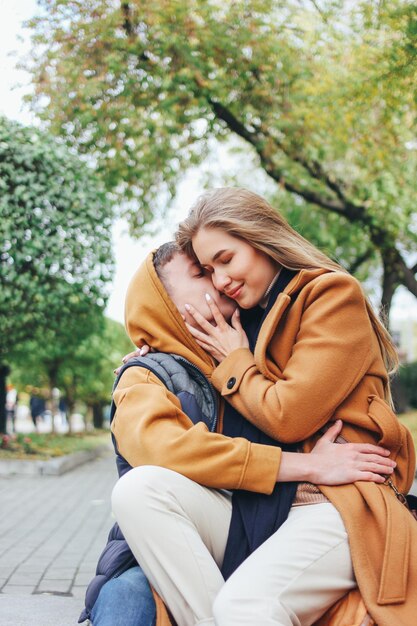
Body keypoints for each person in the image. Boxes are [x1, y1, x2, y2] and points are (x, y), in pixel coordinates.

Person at [109, 241, 400, 626]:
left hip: (295, 512)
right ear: (164, 303)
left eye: (219, 266)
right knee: (134, 513)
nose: (219, 281)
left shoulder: (255, 340)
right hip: (203, 529)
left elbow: (296, 406)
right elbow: (165, 449)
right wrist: (308, 466)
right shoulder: (146, 373)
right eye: (202, 273)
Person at [167, 187, 416, 626]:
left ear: (261, 238)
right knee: (141, 489)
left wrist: (235, 361)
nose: (220, 279)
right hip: (267, 500)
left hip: (338, 500)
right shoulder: (242, 320)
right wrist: (148, 357)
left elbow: (288, 415)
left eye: (226, 259)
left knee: (245, 606)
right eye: (208, 269)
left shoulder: (332, 295)